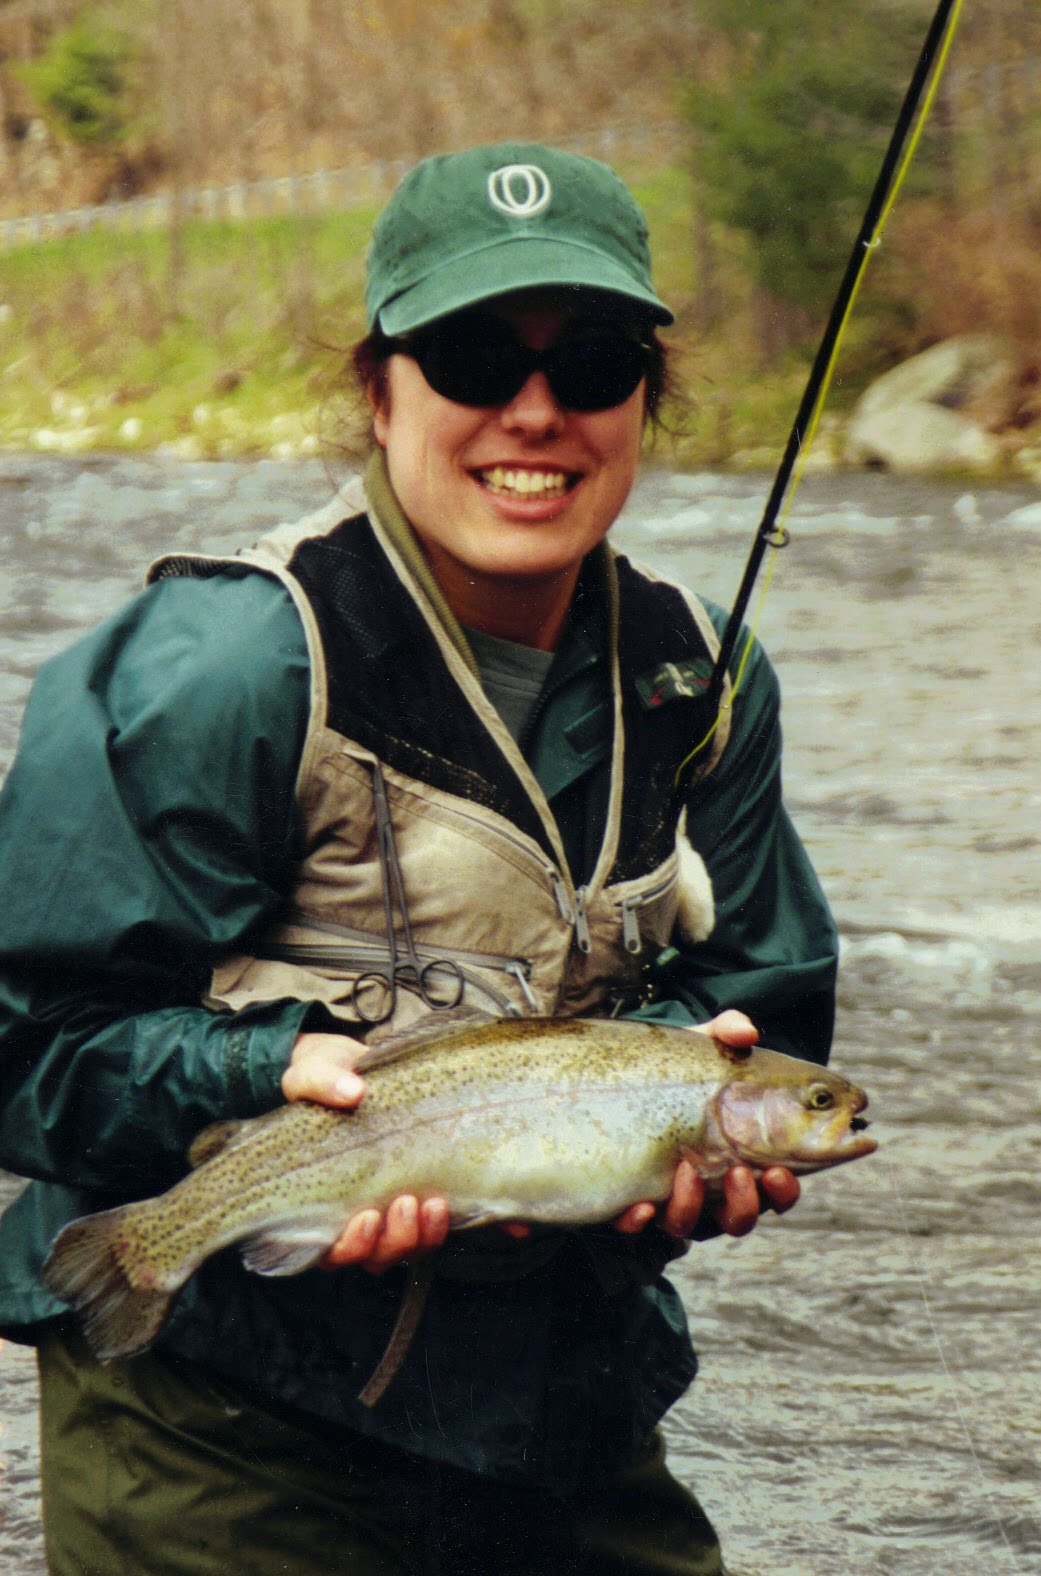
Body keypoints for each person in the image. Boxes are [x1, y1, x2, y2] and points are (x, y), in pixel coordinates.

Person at [0, 142, 838, 1575]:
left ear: (644, 398)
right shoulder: (210, 668)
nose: (534, 411)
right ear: (377, 391)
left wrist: (678, 1147)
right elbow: (29, 1058)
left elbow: (763, 1000)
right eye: (466, 356)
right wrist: (265, 1079)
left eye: (590, 362)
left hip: (567, 1405)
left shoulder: (703, 676)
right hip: (214, 1423)